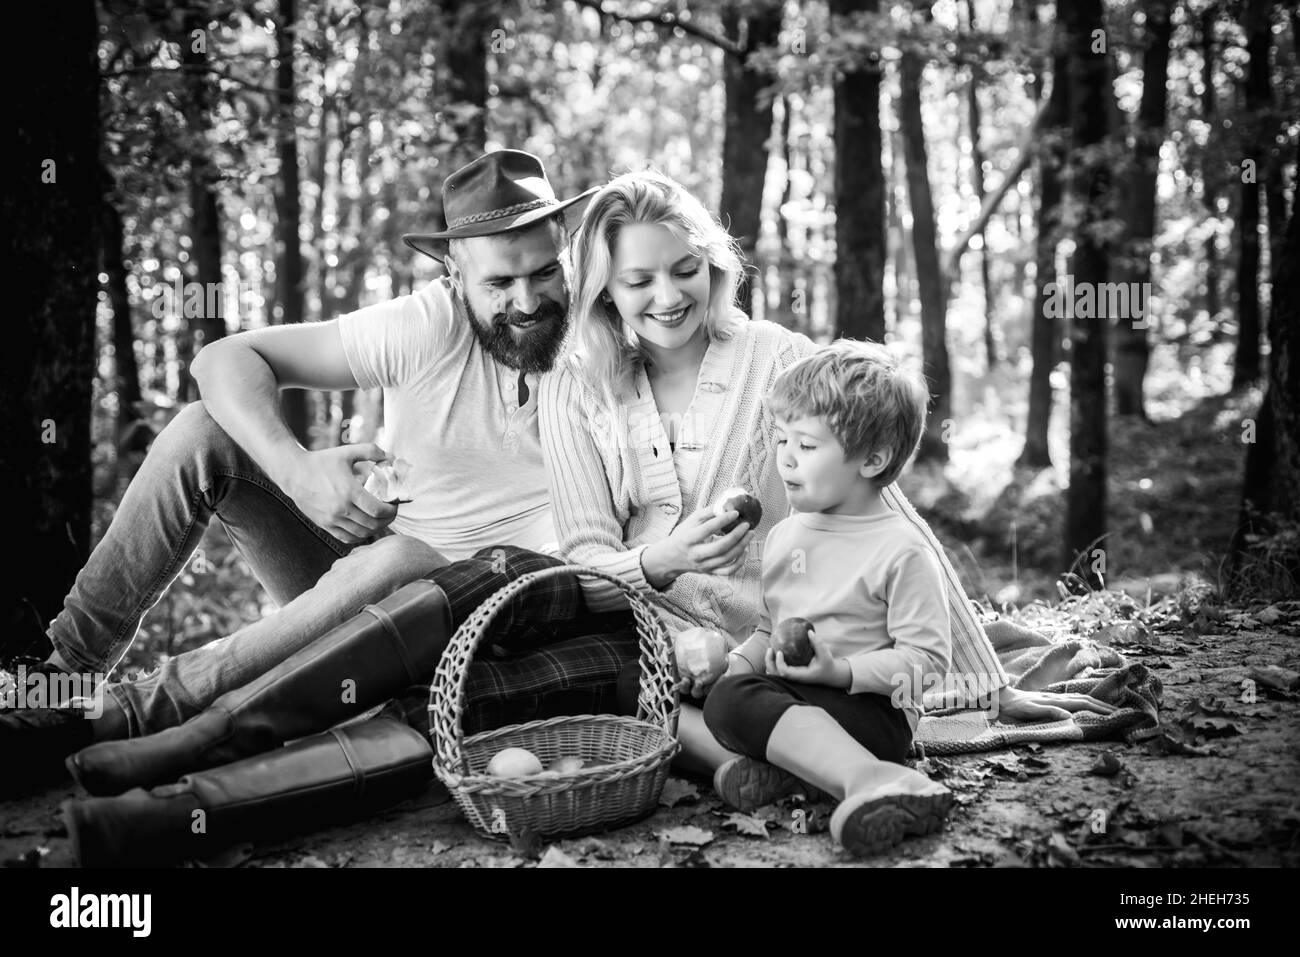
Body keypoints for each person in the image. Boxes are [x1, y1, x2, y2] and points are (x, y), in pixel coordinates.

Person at [1, 153, 646, 863]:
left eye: (544, 272)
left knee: (405, 557)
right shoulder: (426, 326)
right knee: (201, 431)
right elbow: (223, 360)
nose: (527, 301)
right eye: (499, 282)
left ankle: (134, 712)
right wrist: (299, 472)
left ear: (568, 256)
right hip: (350, 599)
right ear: (455, 276)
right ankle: (59, 677)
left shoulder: (610, 341)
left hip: (472, 641)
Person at [540, 170, 1114, 801]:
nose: (669, 295)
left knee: (735, 691)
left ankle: (774, 760)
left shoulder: (776, 359)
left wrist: (986, 683)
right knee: (610, 677)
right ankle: (762, 766)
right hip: (649, 629)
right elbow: (582, 559)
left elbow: (881, 509)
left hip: (775, 637)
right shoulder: (575, 386)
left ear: (712, 264)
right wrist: (661, 560)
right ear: (602, 292)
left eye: (685, 269)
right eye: (638, 280)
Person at [703, 340, 955, 857]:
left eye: (808, 446)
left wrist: (840, 672)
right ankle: (794, 773)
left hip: (871, 715)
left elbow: (928, 664)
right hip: (794, 701)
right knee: (669, 690)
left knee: (734, 704)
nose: (786, 459)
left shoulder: (901, 549)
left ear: (873, 459)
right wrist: (731, 665)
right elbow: (768, 633)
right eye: (781, 440)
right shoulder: (785, 536)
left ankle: (875, 778)